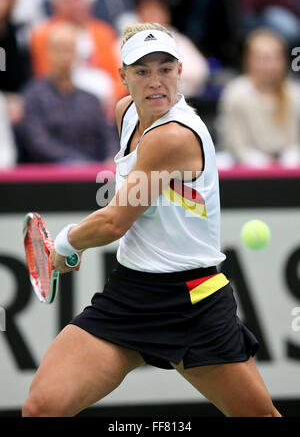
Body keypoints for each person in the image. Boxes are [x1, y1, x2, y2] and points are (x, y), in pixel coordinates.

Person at [22, 22, 281, 417]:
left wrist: (64, 245)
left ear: (180, 71)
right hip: (130, 295)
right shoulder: (124, 112)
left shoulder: (173, 137)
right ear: (122, 77)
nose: (155, 82)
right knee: (41, 408)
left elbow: (114, 222)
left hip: (193, 301)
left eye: (165, 69)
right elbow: (133, 206)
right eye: (142, 71)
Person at [18, 22, 117, 164]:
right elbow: (37, 141)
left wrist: (112, 157)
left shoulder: (91, 99)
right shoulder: (33, 96)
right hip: (49, 177)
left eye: (69, 49)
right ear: (48, 53)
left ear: (76, 54)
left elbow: (108, 136)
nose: (65, 56)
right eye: (59, 49)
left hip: (93, 175)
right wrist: (77, 162)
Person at [30, 0, 126, 104]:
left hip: (106, 104)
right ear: (55, 3)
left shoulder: (103, 32)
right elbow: (43, 76)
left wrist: (113, 100)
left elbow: (118, 77)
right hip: (62, 103)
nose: (77, 5)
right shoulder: (43, 34)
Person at [216, 28, 300, 167]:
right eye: (262, 58)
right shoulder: (235, 93)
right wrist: (257, 161)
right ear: (248, 60)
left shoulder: (295, 94)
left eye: (275, 58)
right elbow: (234, 143)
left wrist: (291, 156)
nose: (269, 65)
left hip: (289, 168)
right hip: (247, 169)